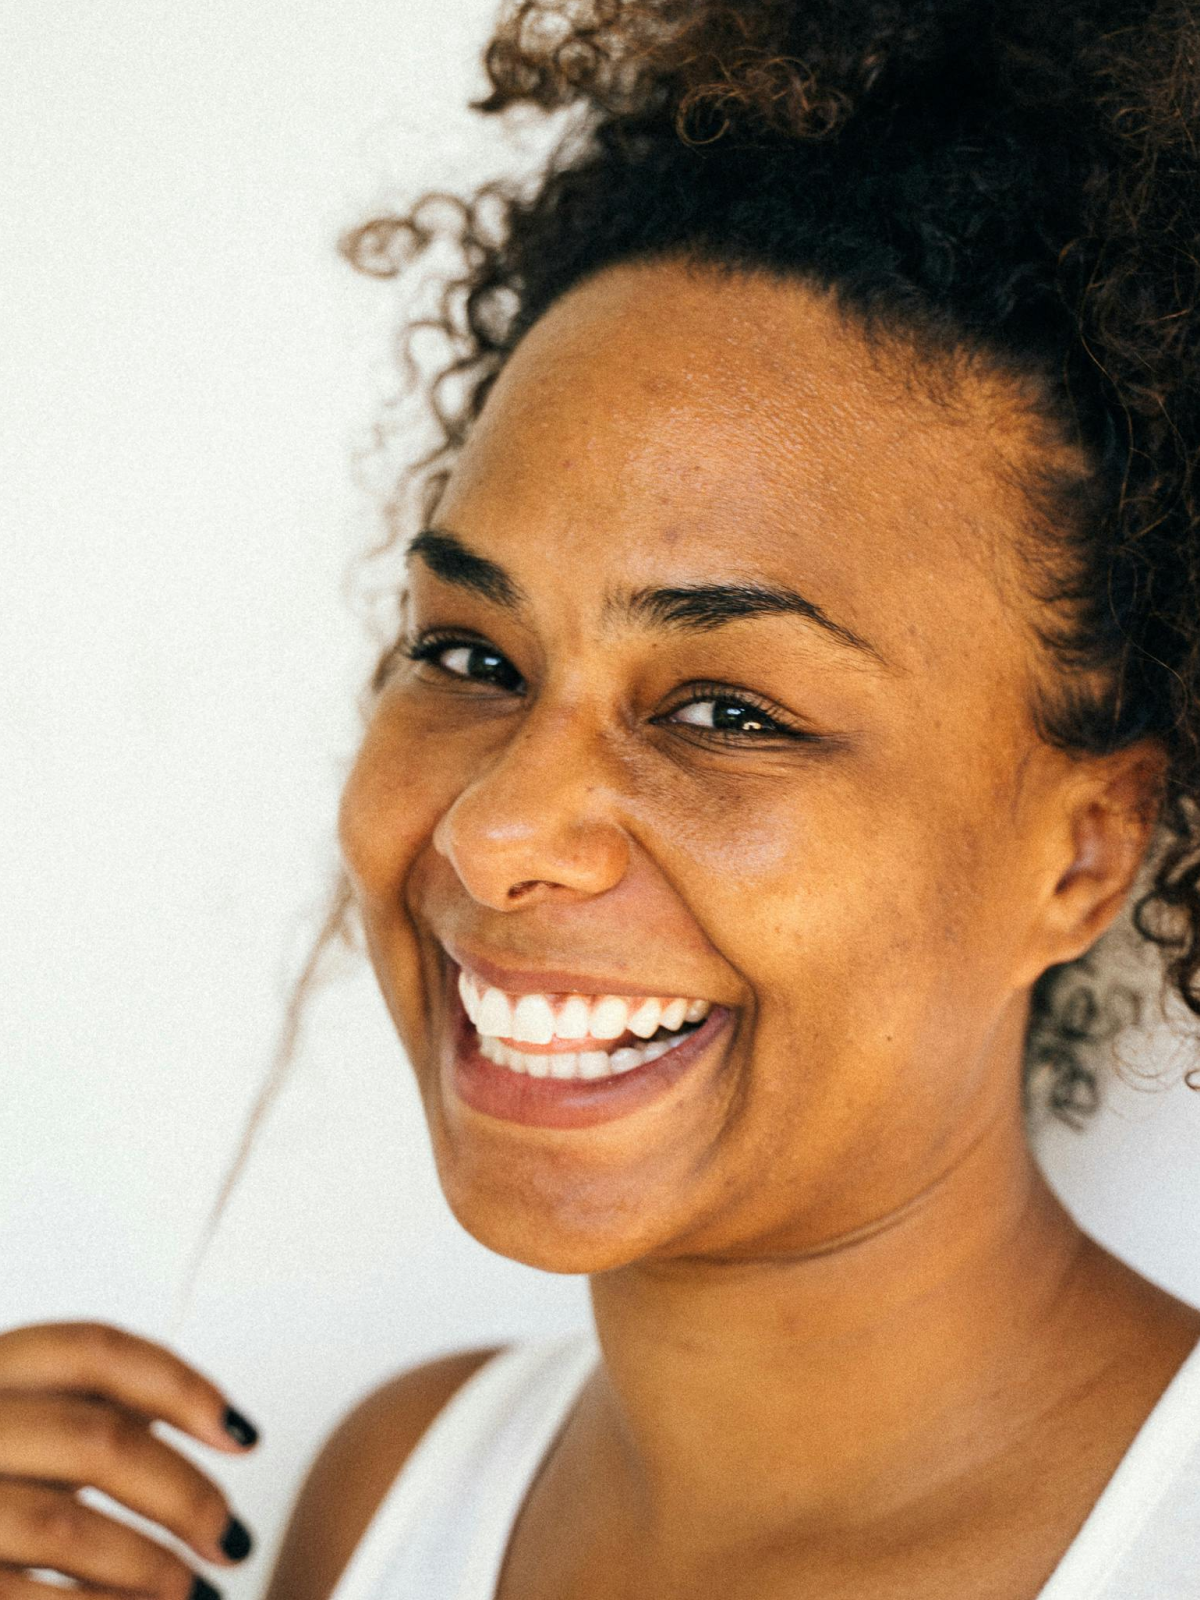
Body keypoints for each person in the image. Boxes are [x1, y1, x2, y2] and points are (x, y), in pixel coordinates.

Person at [4, 0, 1200, 1595]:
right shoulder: (396, 1491)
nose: (495, 834)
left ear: (1086, 851)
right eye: (474, 657)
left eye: (726, 709)